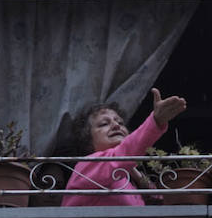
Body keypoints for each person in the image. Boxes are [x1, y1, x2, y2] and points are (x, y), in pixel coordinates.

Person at [60, 87, 188, 207]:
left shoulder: (129, 181)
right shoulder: (86, 166)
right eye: (104, 124)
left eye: (120, 122)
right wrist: (156, 121)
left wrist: (138, 177)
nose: (116, 125)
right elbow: (122, 154)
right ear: (88, 140)